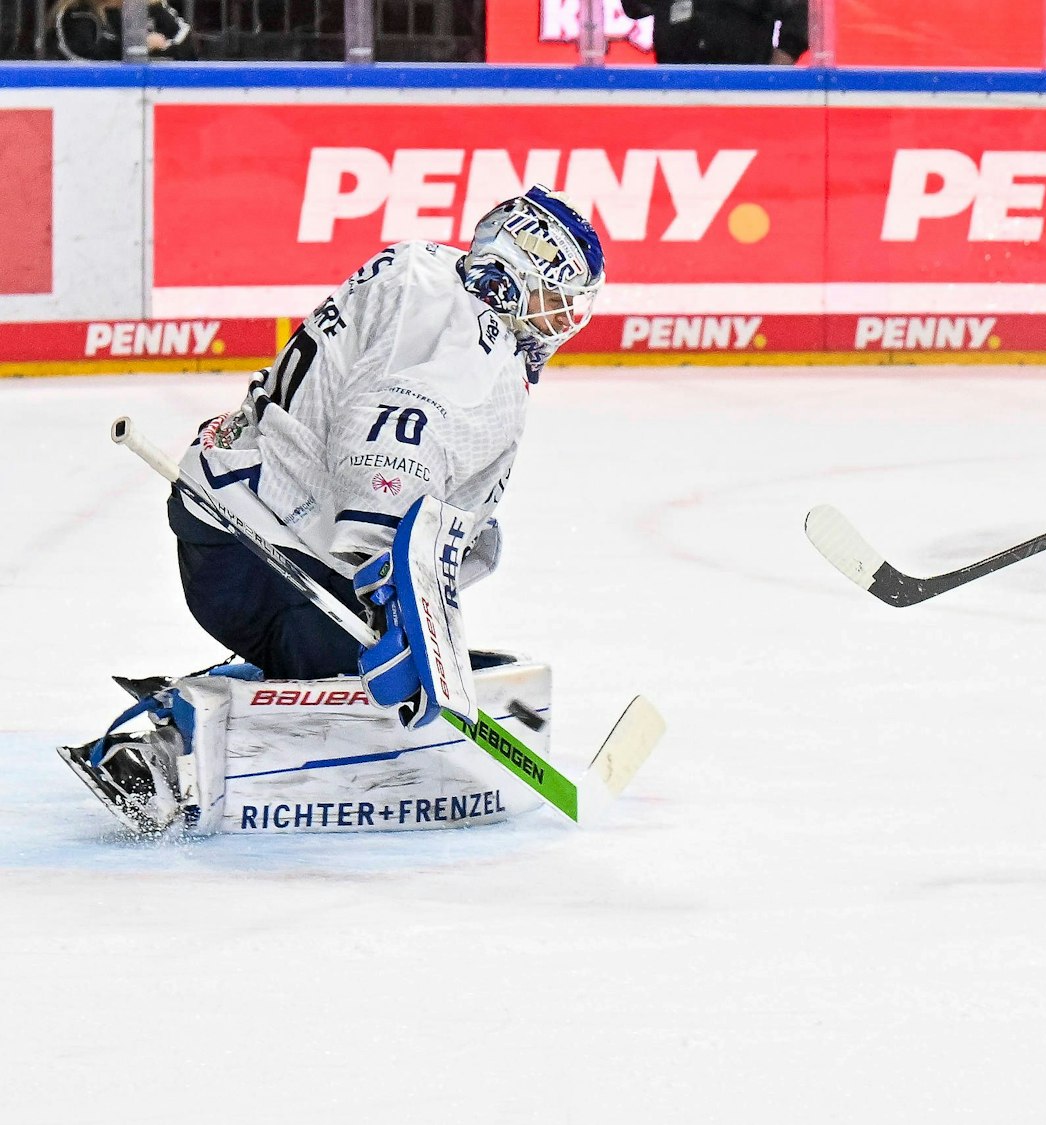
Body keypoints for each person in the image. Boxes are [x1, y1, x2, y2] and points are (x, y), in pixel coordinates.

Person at [62, 186, 605, 836]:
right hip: (274, 547)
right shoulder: (472, 342)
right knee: (376, 683)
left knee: (363, 657)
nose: (562, 319)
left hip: (226, 515)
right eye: (555, 298)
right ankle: (174, 752)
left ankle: (221, 697)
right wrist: (395, 599)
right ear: (510, 275)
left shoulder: (422, 266)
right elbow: (382, 443)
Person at [619, 0, 806, 65]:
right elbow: (633, 7)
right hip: (673, 85)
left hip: (745, 87)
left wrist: (781, 61)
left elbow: (801, 12)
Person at [46, 0, 191, 61]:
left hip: (155, 92)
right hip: (88, 98)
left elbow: (186, 44)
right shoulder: (76, 12)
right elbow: (81, 56)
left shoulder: (152, 6)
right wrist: (139, 46)